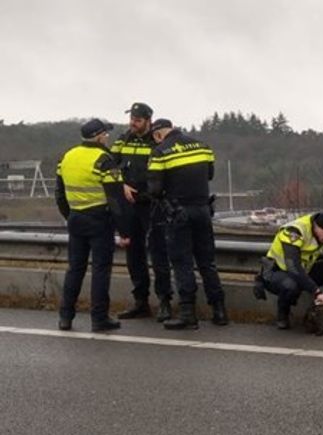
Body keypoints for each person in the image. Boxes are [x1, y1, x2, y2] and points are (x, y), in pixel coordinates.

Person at [147, 118, 227, 330]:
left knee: (182, 263)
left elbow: (154, 190)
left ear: (157, 135)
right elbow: (209, 174)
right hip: (203, 209)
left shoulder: (160, 152)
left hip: (178, 212)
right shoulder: (202, 146)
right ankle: (219, 310)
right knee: (207, 262)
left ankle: (187, 313)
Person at [55, 119, 131, 332]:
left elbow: (59, 193)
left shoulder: (67, 157)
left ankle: (65, 317)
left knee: (75, 269)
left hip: (76, 219)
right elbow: (116, 200)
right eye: (105, 134)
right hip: (99, 220)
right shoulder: (104, 159)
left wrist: (69, 216)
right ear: (98, 136)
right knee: (100, 270)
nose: (107, 137)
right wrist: (124, 231)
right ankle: (99, 319)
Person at [112, 102, 174, 322]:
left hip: (153, 205)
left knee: (158, 254)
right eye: (131, 119)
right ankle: (141, 302)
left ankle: (165, 301)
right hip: (130, 207)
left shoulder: (158, 141)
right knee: (134, 254)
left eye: (137, 120)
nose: (133, 123)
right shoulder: (123, 139)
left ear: (148, 121)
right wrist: (121, 184)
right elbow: (109, 166)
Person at [257, 210, 323, 329]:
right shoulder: (294, 231)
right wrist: (317, 292)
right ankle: (283, 314)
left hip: (304, 271)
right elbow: (293, 267)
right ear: (318, 226)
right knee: (290, 285)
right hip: (277, 272)